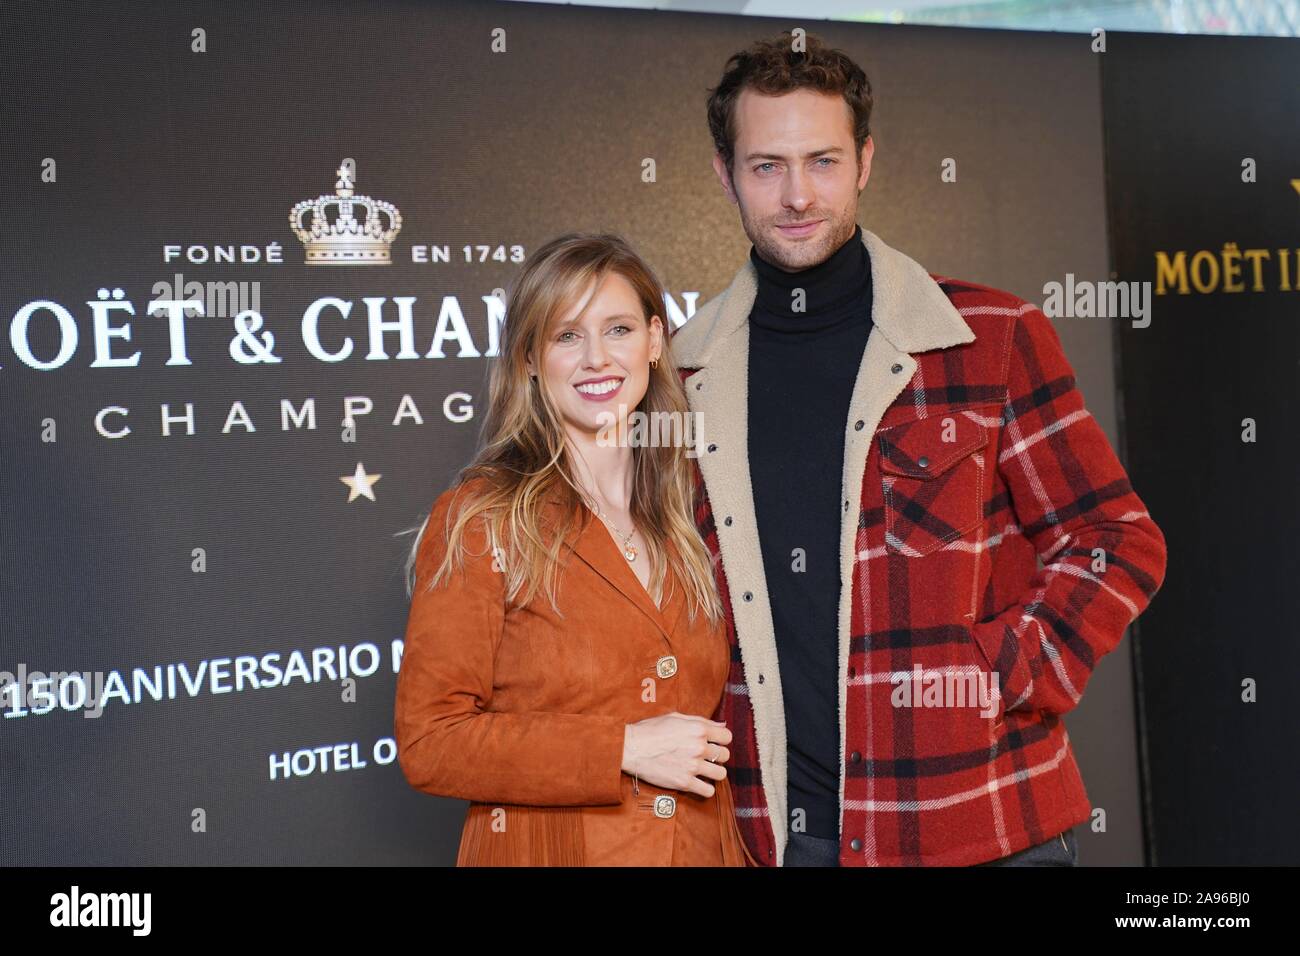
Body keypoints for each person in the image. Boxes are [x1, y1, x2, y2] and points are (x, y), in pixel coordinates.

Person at [670, 32, 1169, 866]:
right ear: (724, 175)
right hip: (783, 838)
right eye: (767, 166)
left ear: (864, 161)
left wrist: (1001, 674)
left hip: (983, 818)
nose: (797, 194)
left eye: (822, 160)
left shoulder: (992, 336)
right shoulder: (684, 372)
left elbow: (1118, 537)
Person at [394, 232, 754, 866]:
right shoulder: (484, 517)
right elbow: (431, 742)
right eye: (567, 336)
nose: (596, 359)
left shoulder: (691, 509)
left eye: (617, 330)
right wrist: (621, 749)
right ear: (531, 357)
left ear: (654, 340)